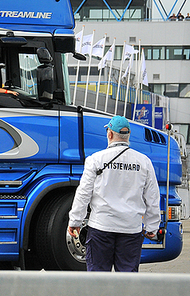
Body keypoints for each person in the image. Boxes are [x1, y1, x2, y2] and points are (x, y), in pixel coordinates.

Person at [67, 116, 160, 272]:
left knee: (98, 278)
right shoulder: (144, 162)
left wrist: (75, 220)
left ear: (109, 134)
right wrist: (152, 226)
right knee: (127, 279)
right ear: (128, 136)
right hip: (131, 229)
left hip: (101, 227)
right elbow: (152, 197)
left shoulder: (95, 160)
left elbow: (83, 193)